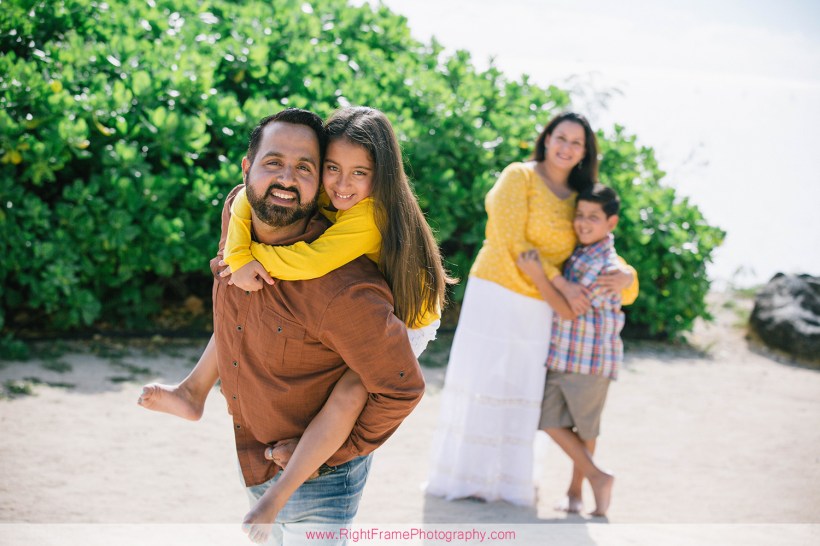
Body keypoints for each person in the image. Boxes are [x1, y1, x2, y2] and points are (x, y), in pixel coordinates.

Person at [145, 108, 426, 545]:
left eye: (305, 168)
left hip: (325, 474)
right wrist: (239, 260)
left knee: (354, 389)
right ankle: (192, 391)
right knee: (249, 305)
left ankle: (302, 466)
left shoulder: (343, 278)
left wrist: (337, 453)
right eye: (273, 162)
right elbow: (240, 206)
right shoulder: (243, 211)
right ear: (247, 167)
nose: (287, 178)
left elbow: (400, 388)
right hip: (255, 457)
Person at [426, 112, 638, 507]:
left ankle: (509, 483)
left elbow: (602, 248)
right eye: (561, 137)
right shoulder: (518, 176)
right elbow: (512, 240)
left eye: (577, 143)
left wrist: (627, 275)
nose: (566, 147)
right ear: (546, 138)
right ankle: (468, 478)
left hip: (540, 308)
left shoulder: (581, 195)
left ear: (585, 152)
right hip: (497, 292)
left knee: (522, 389)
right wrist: (560, 284)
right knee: (482, 383)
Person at [517, 184, 626, 517]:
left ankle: (577, 492)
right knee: (548, 419)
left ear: (611, 223)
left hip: (592, 360)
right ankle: (598, 476)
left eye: (593, 217)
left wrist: (537, 275)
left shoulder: (606, 266)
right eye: (580, 215)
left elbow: (570, 309)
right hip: (564, 353)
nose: (583, 223)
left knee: (585, 429)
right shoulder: (581, 252)